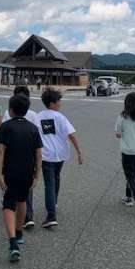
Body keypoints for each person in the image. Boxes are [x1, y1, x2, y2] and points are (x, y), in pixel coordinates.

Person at [0, 94, 43, 263]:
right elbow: (39, 154)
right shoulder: (33, 128)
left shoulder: (6, 127)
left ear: (11, 110)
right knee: (22, 200)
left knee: (8, 205)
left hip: (10, 172)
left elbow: (0, 151)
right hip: (27, 172)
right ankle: (19, 232)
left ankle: (13, 243)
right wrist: (37, 175)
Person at [37, 88, 83, 228]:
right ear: (52, 103)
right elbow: (71, 135)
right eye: (58, 101)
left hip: (46, 155)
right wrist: (79, 152)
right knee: (55, 178)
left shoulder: (38, 117)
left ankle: (51, 209)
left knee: (50, 183)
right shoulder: (60, 117)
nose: (60, 103)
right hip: (60, 154)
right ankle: (52, 211)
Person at [3, 85, 39, 229]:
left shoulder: (8, 113)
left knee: (10, 187)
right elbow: (38, 139)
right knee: (27, 188)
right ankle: (27, 216)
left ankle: (12, 211)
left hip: (11, 156)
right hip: (29, 156)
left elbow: (3, 133)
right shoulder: (34, 115)